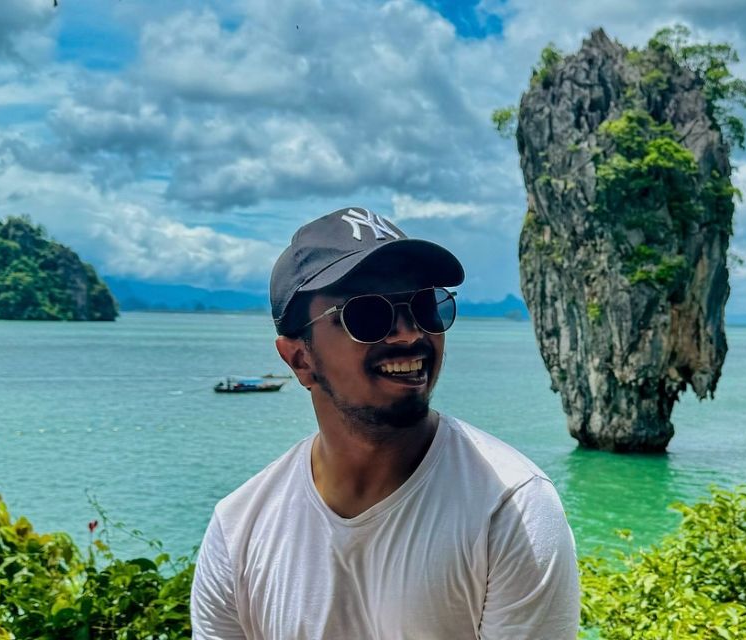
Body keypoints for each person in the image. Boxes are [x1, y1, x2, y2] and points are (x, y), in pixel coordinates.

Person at [190, 207, 580, 639]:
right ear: (300, 358)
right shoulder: (239, 530)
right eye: (368, 315)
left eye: (424, 306)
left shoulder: (511, 509)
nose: (409, 334)